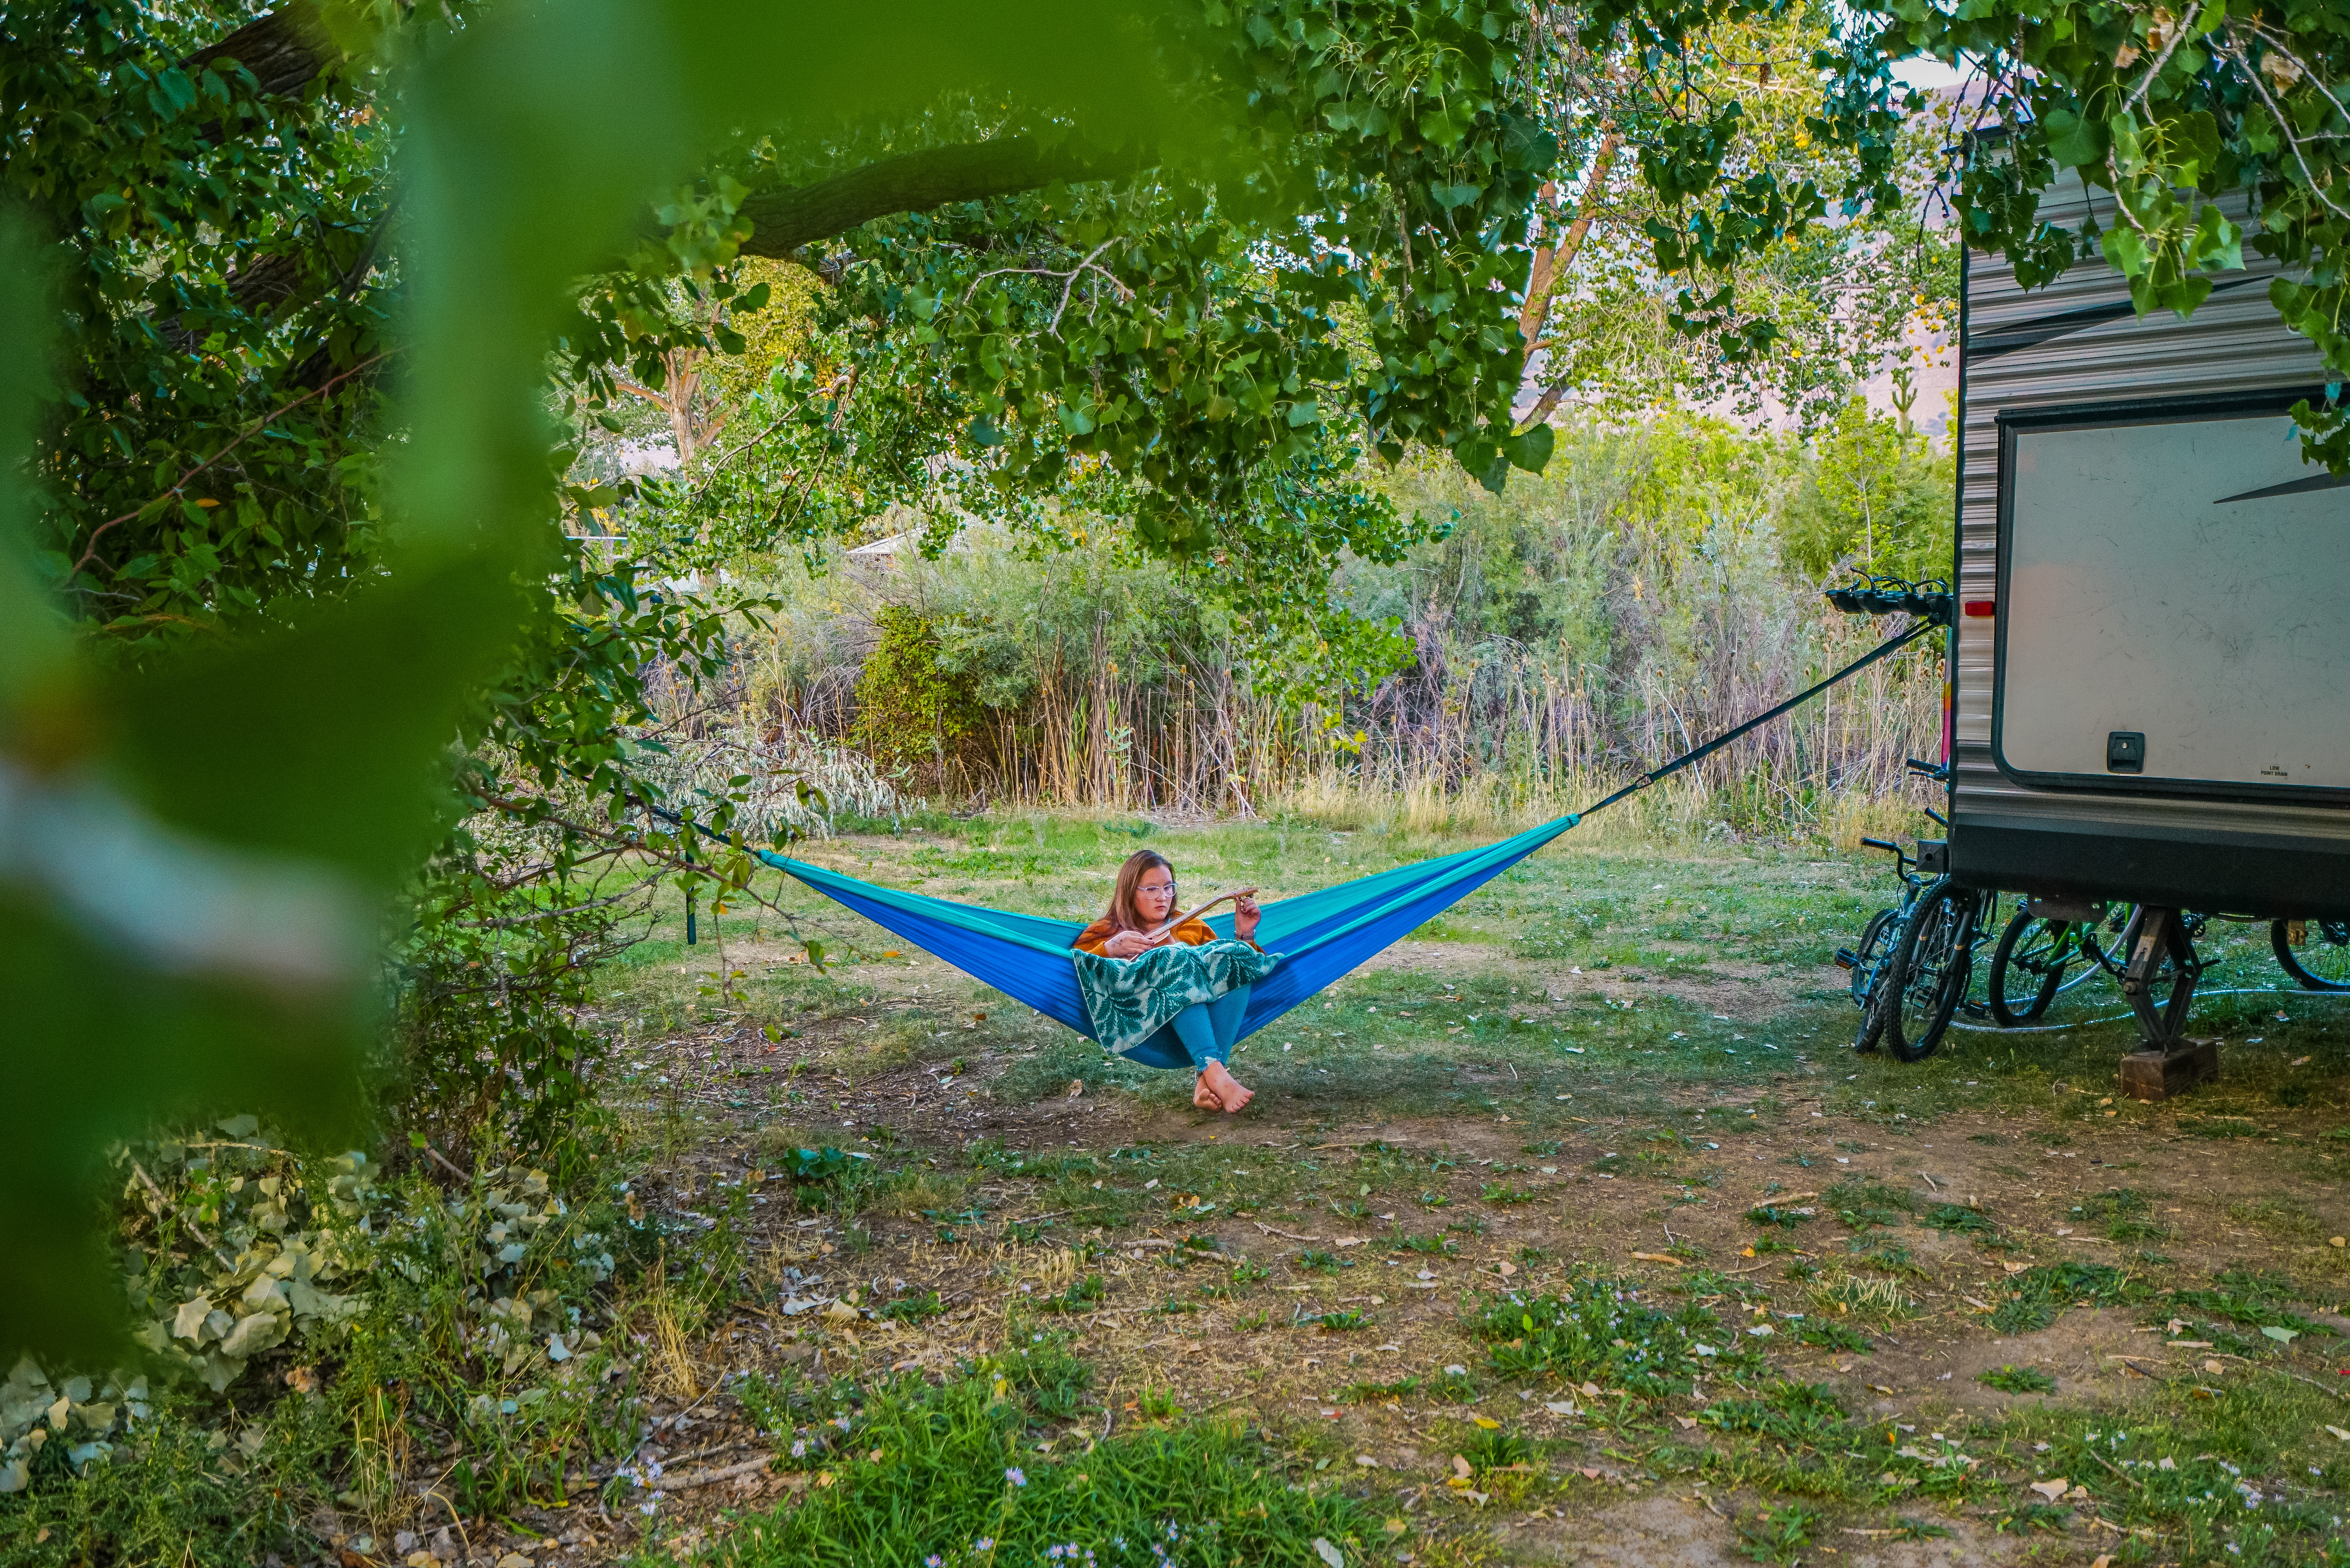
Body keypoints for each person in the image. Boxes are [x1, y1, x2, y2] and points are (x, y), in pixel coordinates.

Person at [1073, 849, 1262, 1112]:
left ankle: (1207, 1079)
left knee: (1233, 960)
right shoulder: (1108, 931)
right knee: (1173, 960)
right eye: (1151, 889)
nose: (1163, 897)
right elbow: (1077, 971)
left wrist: (1245, 934)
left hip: (1201, 1018)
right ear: (1130, 892)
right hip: (1144, 1021)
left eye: (1168, 887)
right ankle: (1214, 1071)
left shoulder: (1190, 926)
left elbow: (1233, 968)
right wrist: (1109, 950)